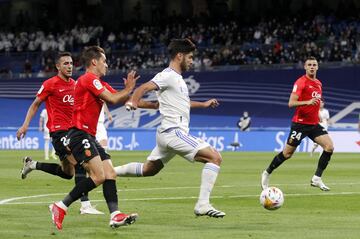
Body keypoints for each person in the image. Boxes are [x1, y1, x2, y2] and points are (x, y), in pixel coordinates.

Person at [48, 46, 158, 230]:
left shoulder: (97, 82)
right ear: (94, 62)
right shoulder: (88, 79)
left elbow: (123, 98)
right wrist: (130, 87)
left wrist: (152, 105)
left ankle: (115, 215)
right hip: (79, 134)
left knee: (110, 173)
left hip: (89, 136)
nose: (107, 65)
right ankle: (60, 206)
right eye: (104, 61)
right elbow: (113, 100)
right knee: (98, 176)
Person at [115, 38, 226, 218]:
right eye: (190, 57)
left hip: (167, 135)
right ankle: (203, 204)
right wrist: (133, 100)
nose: (192, 61)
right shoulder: (167, 75)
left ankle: (110, 171)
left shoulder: (178, 80)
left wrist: (204, 104)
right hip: (173, 132)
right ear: (179, 56)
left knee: (148, 170)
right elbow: (143, 87)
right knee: (214, 157)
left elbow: (177, 104)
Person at [17, 52, 103, 215]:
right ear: (58, 66)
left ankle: (32, 165)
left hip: (73, 131)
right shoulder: (50, 84)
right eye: (65, 64)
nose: (70, 66)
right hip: (58, 131)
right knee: (80, 162)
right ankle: (85, 205)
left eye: (71, 63)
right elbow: (35, 104)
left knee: (67, 173)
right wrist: (25, 125)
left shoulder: (76, 84)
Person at [261, 56, 334, 191]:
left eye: (314, 65)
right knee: (287, 154)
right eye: (309, 65)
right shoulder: (301, 82)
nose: (312, 67)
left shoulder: (318, 83)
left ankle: (316, 178)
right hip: (300, 124)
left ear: (317, 67)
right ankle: (267, 172)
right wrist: (306, 102)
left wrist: (317, 115)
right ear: (305, 67)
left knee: (329, 147)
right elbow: (291, 103)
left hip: (314, 124)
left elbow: (316, 104)